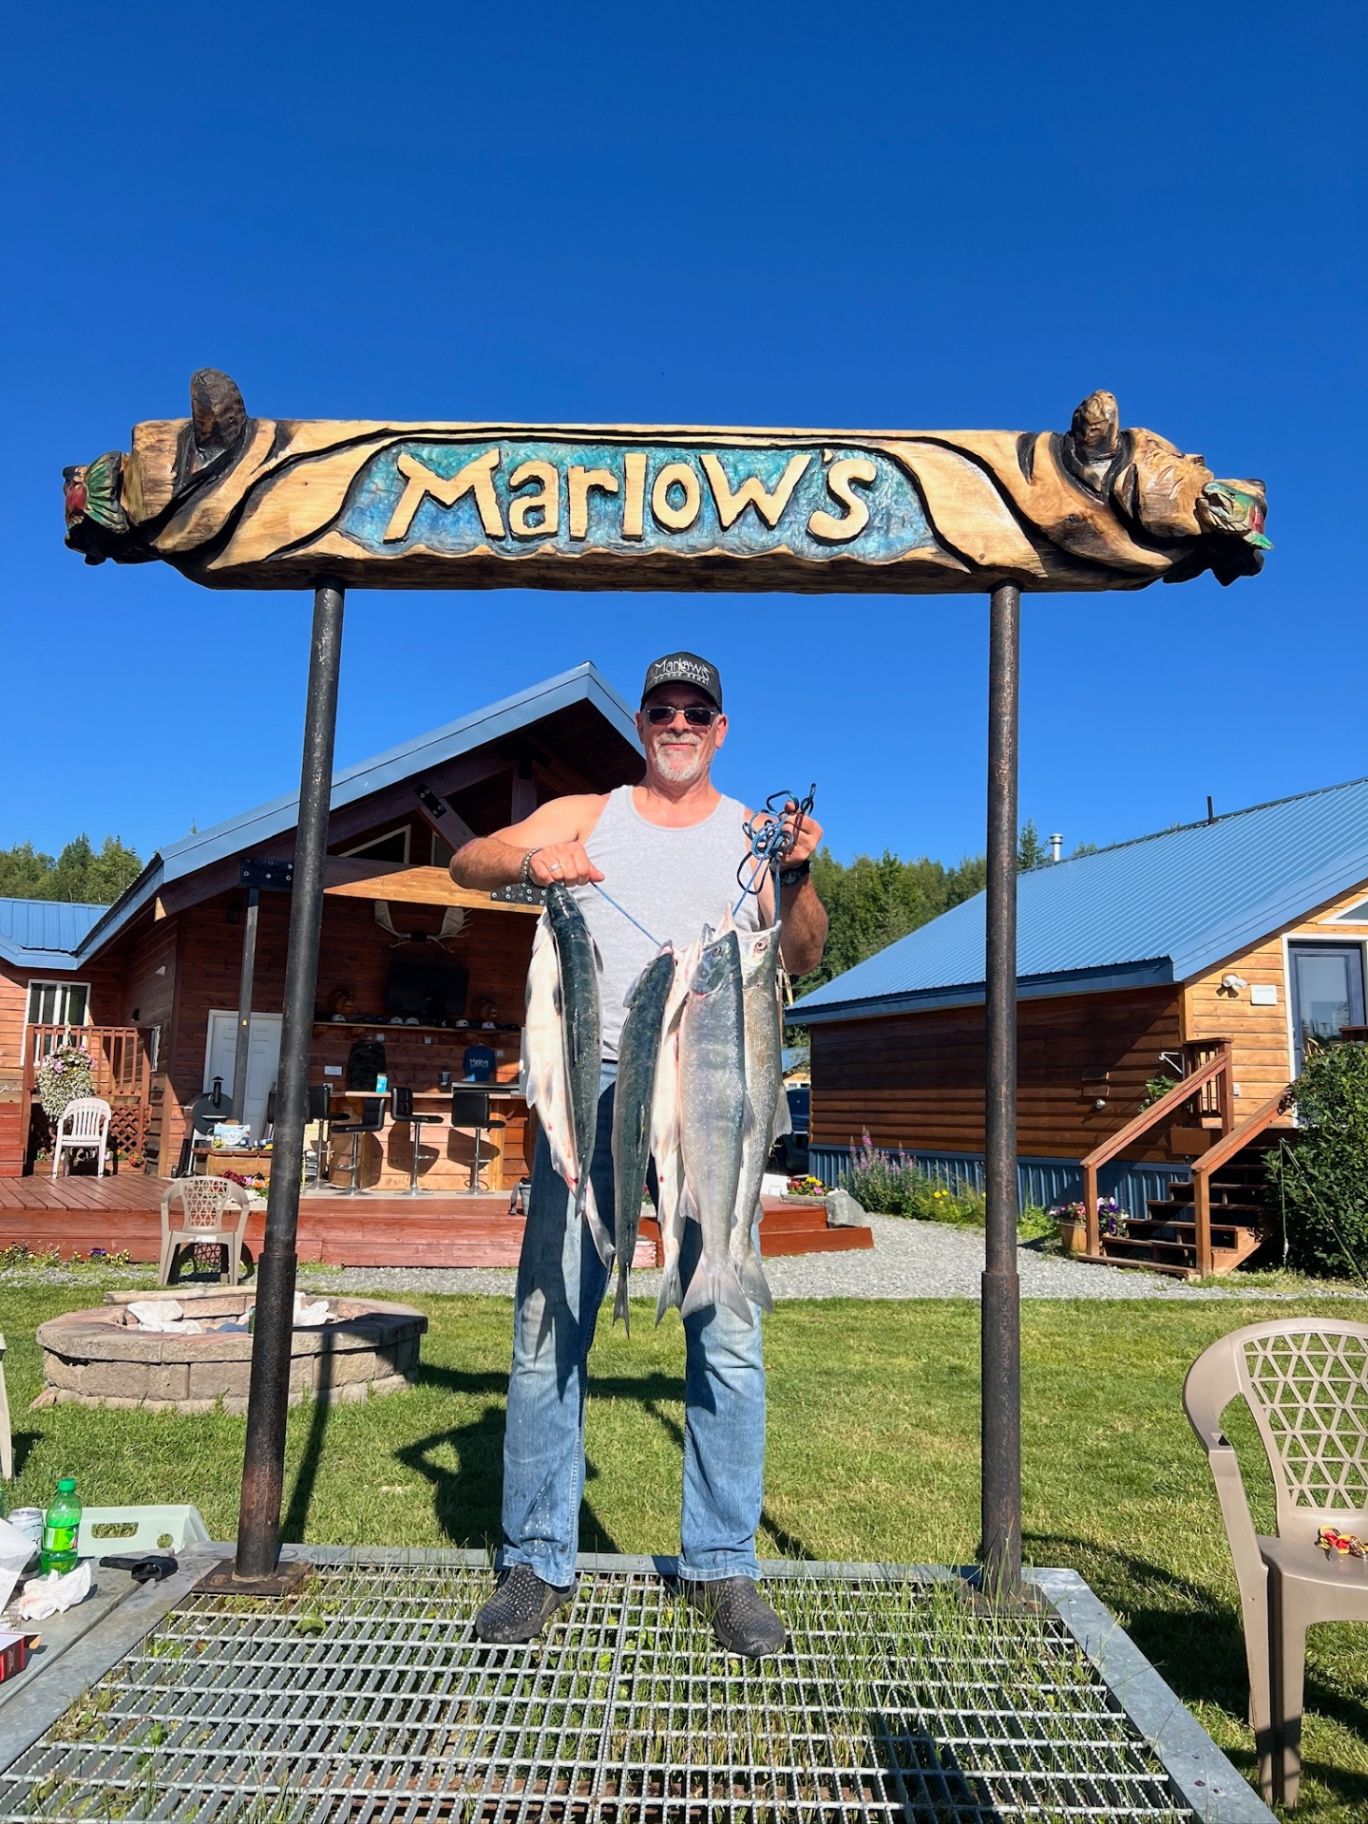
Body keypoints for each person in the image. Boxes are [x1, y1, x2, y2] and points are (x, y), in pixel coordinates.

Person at [449, 651, 827, 1657]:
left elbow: (800, 955)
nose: (678, 722)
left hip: (708, 1099)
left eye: (697, 709)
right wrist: (534, 865)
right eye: (662, 708)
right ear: (643, 725)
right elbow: (468, 861)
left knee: (728, 1328)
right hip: (589, 1091)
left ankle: (723, 1569)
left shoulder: (758, 832)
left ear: (721, 727)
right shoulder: (589, 811)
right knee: (547, 1325)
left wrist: (798, 874)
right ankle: (536, 1559)